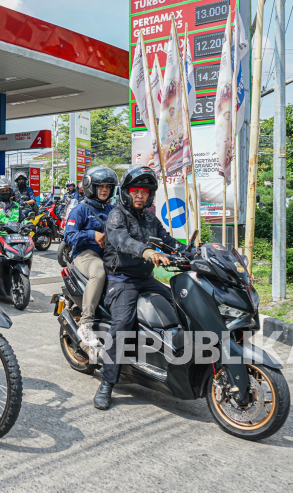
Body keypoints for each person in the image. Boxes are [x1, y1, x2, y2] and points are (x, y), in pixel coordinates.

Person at [94, 165, 184, 410]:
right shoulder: (117, 215)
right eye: (136, 190)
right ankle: (107, 384)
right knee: (122, 324)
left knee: (181, 305)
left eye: (145, 191)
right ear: (126, 192)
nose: (140, 195)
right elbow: (120, 240)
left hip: (145, 279)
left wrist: (191, 252)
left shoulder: (150, 218)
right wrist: (145, 251)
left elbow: (168, 240)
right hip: (121, 280)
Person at [63, 166, 117, 349]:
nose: (104, 190)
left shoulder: (113, 210)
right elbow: (68, 236)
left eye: (108, 187)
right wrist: (91, 235)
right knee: (99, 272)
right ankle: (86, 324)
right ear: (90, 187)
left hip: (109, 255)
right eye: (100, 186)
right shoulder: (80, 210)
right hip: (86, 254)